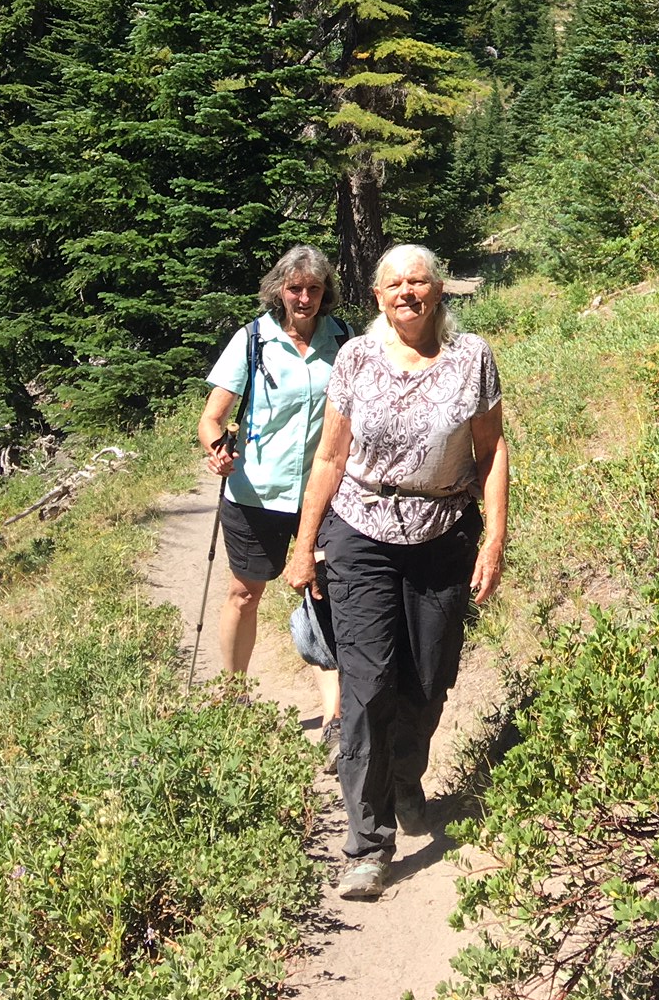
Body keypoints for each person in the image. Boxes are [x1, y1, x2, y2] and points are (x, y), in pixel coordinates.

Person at [283, 242, 509, 903]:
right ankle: (368, 844)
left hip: (442, 534)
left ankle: (407, 781)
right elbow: (329, 458)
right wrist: (304, 546)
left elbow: (491, 450)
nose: (408, 292)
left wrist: (494, 539)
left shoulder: (472, 358)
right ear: (377, 296)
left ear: (439, 290)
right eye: (395, 284)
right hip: (360, 532)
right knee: (370, 684)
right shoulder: (356, 358)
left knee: (430, 677)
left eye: (420, 281)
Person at [197, 244, 350, 762]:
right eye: (294, 288)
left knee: (322, 593)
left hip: (322, 495)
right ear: (279, 290)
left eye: (313, 288)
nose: (304, 297)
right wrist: (216, 451)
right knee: (245, 593)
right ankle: (234, 692)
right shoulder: (253, 339)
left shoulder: (344, 341)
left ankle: (334, 715)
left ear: (325, 291)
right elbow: (211, 418)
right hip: (255, 492)